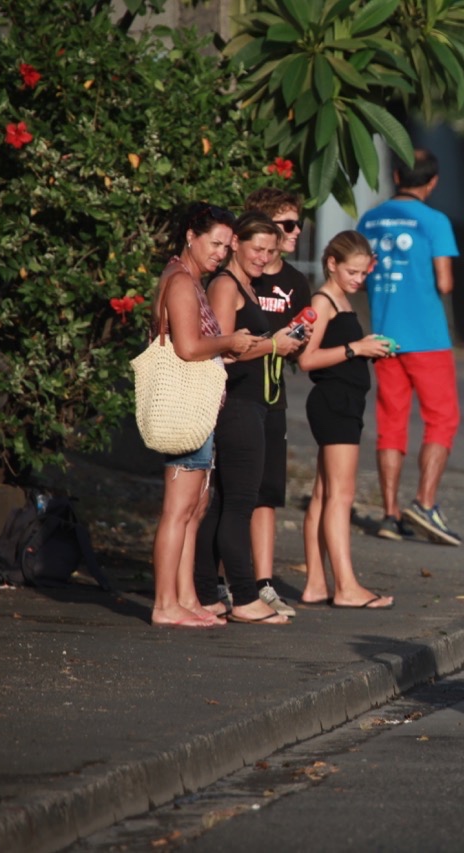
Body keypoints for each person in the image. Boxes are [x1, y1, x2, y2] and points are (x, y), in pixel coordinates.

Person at [147, 203, 258, 628]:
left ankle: (186, 597)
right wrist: (230, 341)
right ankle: (164, 604)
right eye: (215, 244)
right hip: (184, 404)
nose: (221, 253)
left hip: (201, 404)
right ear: (190, 236)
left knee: (195, 506)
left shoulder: (192, 279)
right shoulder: (179, 280)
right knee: (179, 508)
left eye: (226, 246)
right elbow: (188, 347)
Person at [195, 212, 304, 625]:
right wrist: (273, 346)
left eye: (271, 252)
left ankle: (208, 592)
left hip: (252, 403)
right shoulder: (226, 284)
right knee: (239, 504)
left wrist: (278, 343)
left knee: (223, 503)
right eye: (257, 248)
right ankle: (243, 596)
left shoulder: (247, 286)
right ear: (236, 244)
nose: (263, 258)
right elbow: (221, 348)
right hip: (237, 404)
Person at [358, 149, 463, 546]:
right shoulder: (434, 221)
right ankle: (424, 503)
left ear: (397, 175)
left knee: (391, 422)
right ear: (432, 182)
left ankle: (388, 514)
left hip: (384, 335)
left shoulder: (369, 219)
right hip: (427, 337)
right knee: (441, 419)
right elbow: (446, 283)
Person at [297, 232, 395, 609]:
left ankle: (316, 584)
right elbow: (307, 359)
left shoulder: (340, 299)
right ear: (331, 263)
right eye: (351, 271)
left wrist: (365, 348)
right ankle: (347, 587)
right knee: (342, 495)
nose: (358, 279)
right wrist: (357, 348)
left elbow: (337, 351)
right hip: (334, 403)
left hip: (343, 401)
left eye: (363, 273)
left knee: (324, 495)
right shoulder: (323, 301)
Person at [244, 188, 312, 618]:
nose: (296, 231)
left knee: (268, 493)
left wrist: (299, 340)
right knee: (233, 491)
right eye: (287, 224)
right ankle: (224, 580)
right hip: (236, 391)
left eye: (297, 223)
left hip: (273, 395)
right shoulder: (240, 278)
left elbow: (301, 353)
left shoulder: (295, 281)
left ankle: (264, 582)